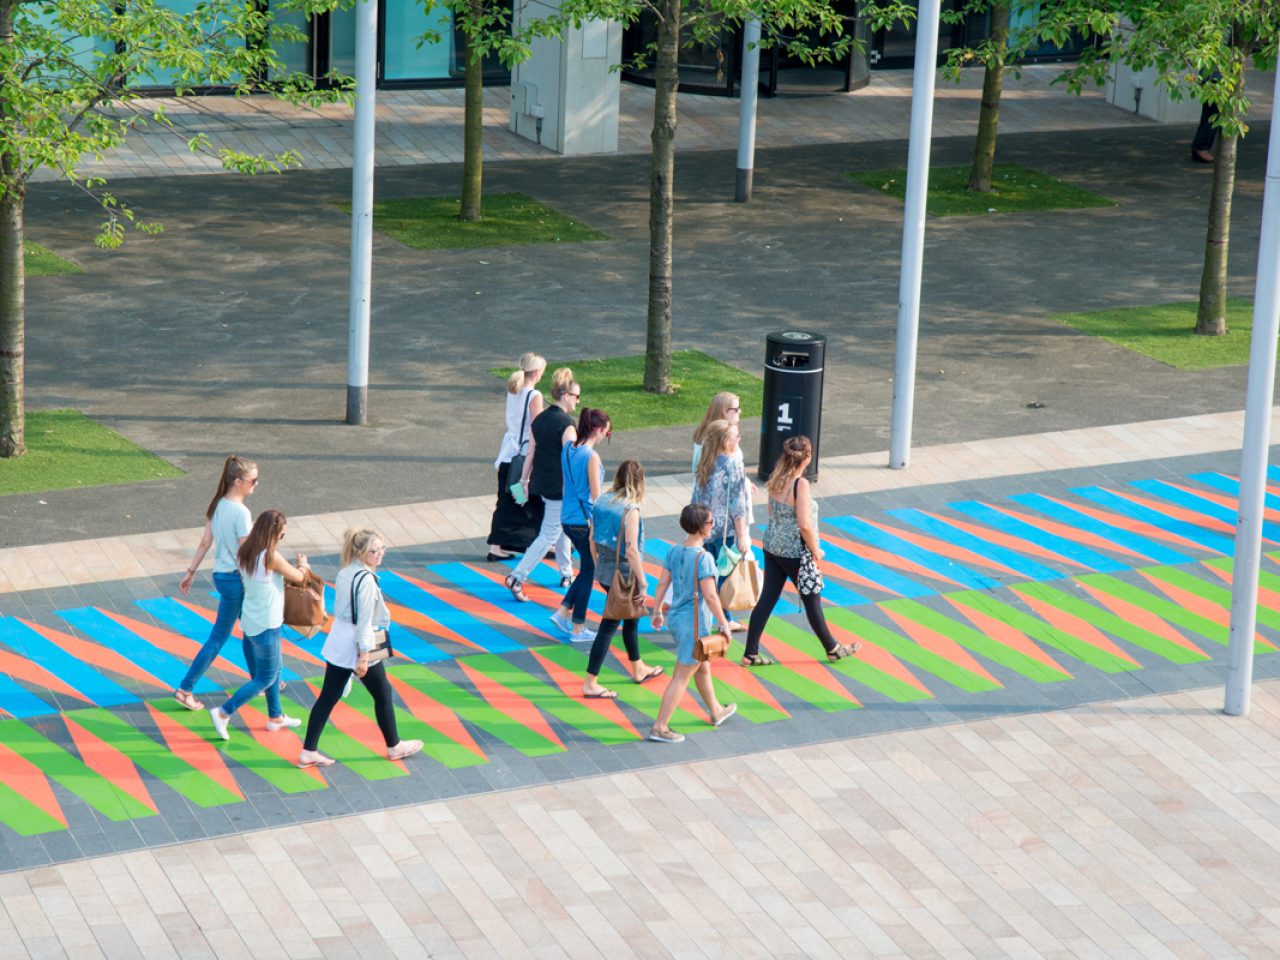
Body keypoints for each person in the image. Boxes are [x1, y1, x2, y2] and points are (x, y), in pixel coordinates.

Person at [298, 529, 424, 767]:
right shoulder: (365, 581)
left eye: (381, 549)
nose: (379, 554)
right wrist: (364, 657)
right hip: (357, 644)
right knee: (382, 693)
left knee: (329, 697)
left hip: (339, 639)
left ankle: (309, 750)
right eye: (374, 551)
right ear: (361, 552)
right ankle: (394, 745)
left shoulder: (346, 572)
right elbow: (364, 621)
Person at [741, 436, 860, 667]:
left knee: (767, 598)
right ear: (806, 457)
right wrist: (816, 550)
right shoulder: (800, 484)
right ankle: (832, 648)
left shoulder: (776, 478)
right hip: (795, 550)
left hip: (773, 545)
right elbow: (804, 524)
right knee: (811, 598)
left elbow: (770, 510)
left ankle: (750, 652)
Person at [208, 510, 309, 740]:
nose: (281, 539)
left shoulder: (246, 552)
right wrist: (304, 565)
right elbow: (300, 577)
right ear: (275, 534)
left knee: (274, 671)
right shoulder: (270, 557)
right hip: (267, 624)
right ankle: (224, 712)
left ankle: (276, 717)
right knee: (265, 678)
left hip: (251, 621)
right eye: (282, 535)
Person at [173, 455, 259, 711]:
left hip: (222, 576)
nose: (256, 484)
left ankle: (264, 680)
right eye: (253, 480)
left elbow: (204, 542)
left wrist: (191, 571)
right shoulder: (241, 512)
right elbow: (247, 551)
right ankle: (185, 688)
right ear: (238, 481)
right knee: (222, 637)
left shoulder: (218, 505)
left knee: (252, 630)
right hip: (237, 579)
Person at [648, 504, 738, 743]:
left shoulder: (674, 551)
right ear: (701, 528)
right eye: (710, 522)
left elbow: (661, 585)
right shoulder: (704, 558)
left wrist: (657, 611)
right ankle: (660, 726)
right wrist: (724, 624)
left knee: (702, 664)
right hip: (694, 624)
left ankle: (716, 710)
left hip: (677, 618)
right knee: (681, 675)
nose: (713, 525)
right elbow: (710, 596)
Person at [582, 460, 663, 698]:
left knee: (631, 619)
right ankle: (590, 681)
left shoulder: (601, 501)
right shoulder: (631, 510)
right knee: (609, 626)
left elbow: (592, 538)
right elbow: (632, 550)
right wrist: (643, 581)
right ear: (640, 481)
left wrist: (599, 567)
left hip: (607, 570)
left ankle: (638, 667)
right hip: (626, 574)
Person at [505, 368, 579, 600]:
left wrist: (525, 481)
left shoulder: (541, 420)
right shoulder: (567, 425)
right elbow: (571, 461)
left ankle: (566, 572)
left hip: (542, 483)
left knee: (561, 528)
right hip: (560, 487)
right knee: (549, 534)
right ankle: (517, 576)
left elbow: (531, 454)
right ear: (566, 395)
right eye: (577, 396)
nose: (578, 401)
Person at [552, 407, 611, 642]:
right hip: (584, 521)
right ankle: (577, 626)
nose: (608, 435)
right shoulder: (591, 457)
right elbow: (596, 498)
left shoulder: (568, 449)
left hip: (567, 518)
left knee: (587, 568)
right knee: (590, 571)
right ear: (598, 429)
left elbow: (568, 485)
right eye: (607, 431)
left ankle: (563, 611)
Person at [691, 418, 752, 630]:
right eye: (736, 436)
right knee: (723, 578)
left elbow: (696, 495)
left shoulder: (705, 460)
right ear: (726, 440)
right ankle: (723, 619)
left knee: (707, 575)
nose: (740, 438)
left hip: (704, 528)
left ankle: (714, 616)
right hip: (725, 532)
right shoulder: (732, 464)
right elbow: (738, 503)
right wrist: (742, 535)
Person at [487, 353, 546, 561]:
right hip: (523, 458)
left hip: (508, 455)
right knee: (532, 499)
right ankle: (541, 542)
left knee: (508, 498)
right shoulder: (534, 395)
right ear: (538, 372)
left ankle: (498, 545)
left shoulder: (514, 390)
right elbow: (538, 427)